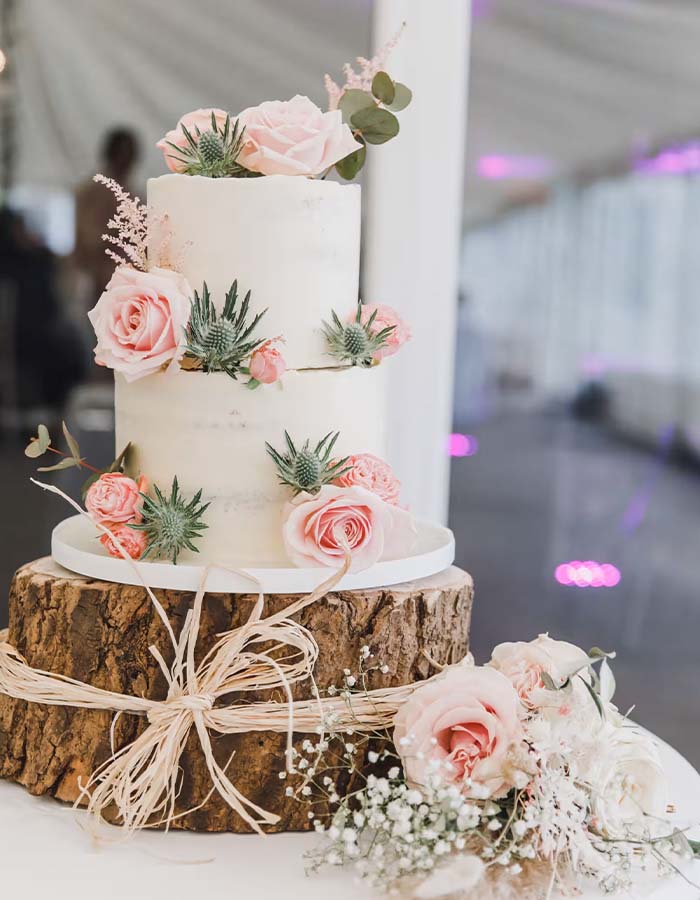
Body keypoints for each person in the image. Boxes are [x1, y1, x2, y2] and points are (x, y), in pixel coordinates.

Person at [73, 127, 140, 309]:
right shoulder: (92, 191)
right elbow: (89, 240)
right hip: (98, 280)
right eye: (124, 155)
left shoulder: (131, 192)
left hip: (125, 282)